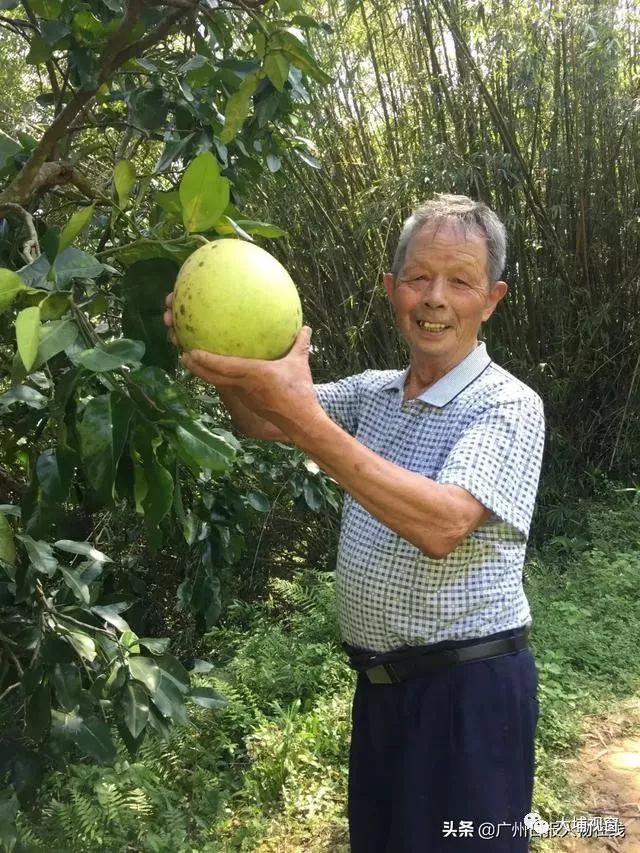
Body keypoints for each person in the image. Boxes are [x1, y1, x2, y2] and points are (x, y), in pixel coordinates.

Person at [163, 194, 545, 852]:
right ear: (390, 288)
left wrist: (306, 420)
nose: (435, 298)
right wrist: (218, 360)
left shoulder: (508, 404)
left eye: (460, 281)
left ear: (492, 298)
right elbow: (266, 418)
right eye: (419, 278)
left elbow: (443, 523)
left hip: (467, 698)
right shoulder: (376, 391)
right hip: (383, 692)